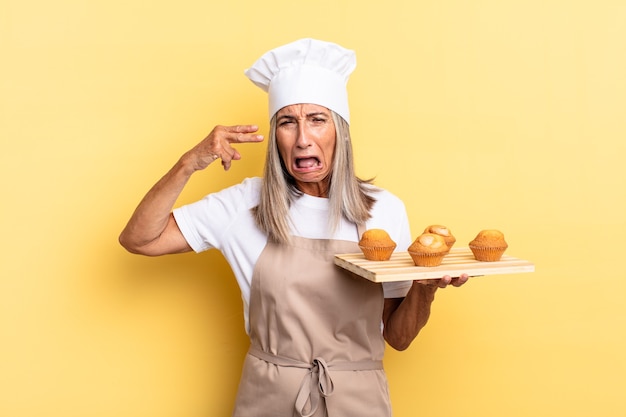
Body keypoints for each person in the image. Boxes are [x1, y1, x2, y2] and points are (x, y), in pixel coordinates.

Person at [119, 38, 469, 417]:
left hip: (358, 400)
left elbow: (398, 338)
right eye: (288, 122)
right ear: (276, 139)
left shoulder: (385, 210)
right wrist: (189, 162)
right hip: (268, 399)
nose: (303, 139)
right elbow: (139, 239)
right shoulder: (243, 204)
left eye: (317, 120)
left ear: (340, 132)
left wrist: (425, 287)